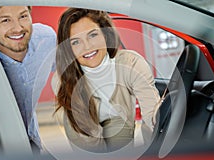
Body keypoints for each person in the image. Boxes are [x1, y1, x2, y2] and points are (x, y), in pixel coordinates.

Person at [53, 8, 160, 152]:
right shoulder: (62, 79)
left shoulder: (131, 63)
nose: (87, 46)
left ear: (105, 34)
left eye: (92, 35)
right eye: (76, 42)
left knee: (120, 159)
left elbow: (152, 116)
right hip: (84, 123)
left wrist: (156, 152)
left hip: (118, 116)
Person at [0, 6, 57, 152]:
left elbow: (66, 71)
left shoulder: (47, 40)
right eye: (6, 20)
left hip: (32, 140)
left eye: (23, 16)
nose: (17, 28)